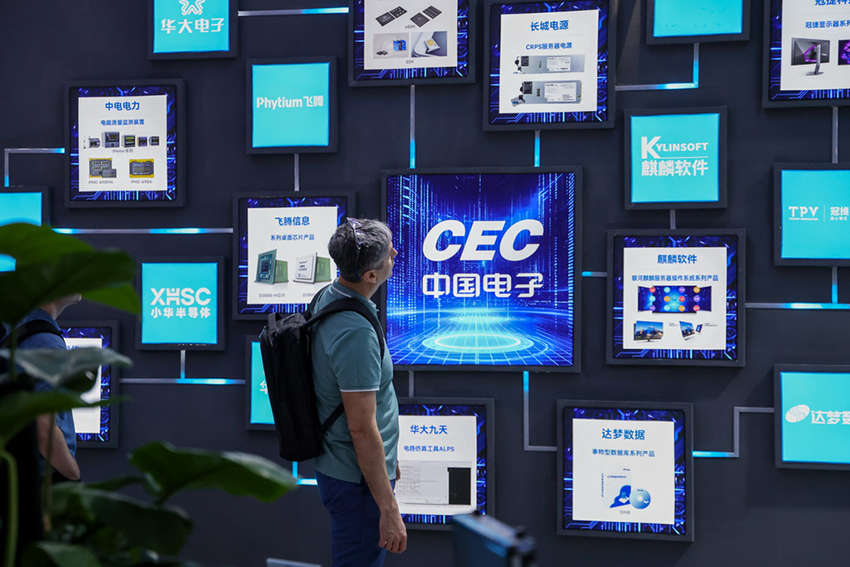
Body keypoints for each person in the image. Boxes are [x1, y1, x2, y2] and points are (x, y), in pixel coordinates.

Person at [311, 218, 405, 566]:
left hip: (354, 471)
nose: (395, 253)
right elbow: (361, 429)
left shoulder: (331, 295)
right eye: (388, 253)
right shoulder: (354, 333)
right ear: (370, 275)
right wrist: (388, 508)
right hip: (358, 482)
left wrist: (388, 459)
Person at [17, 294, 82, 482]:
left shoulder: (15, 327)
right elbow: (43, 425)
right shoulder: (44, 341)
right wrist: (70, 472)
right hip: (40, 477)